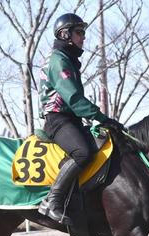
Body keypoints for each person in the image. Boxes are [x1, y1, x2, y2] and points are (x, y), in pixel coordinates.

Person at [38, 13, 123, 225]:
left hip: (70, 119)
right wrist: (101, 117)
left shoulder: (68, 59)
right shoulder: (58, 60)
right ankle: (52, 201)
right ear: (65, 34)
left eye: (83, 32)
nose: (83, 37)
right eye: (79, 32)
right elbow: (74, 98)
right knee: (82, 153)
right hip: (57, 120)